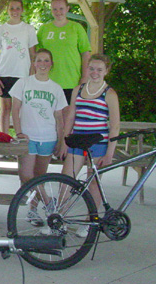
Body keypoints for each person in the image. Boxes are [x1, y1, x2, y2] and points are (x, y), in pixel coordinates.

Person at [58, 54, 120, 237]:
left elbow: (115, 125)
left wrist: (110, 153)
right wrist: (64, 141)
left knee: (94, 183)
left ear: (106, 71)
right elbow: (70, 116)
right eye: (92, 68)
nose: (95, 73)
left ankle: (89, 222)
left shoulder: (109, 93)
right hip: (77, 140)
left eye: (99, 69)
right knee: (66, 180)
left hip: (98, 144)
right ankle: (58, 217)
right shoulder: (79, 89)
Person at [10, 49, 67, 187]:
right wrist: (18, 133)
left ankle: (33, 208)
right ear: (34, 63)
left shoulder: (56, 88)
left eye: (46, 60)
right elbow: (15, 110)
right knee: (25, 174)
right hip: (27, 136)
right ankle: (47, 201)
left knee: (40, 176)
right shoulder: (23, 83)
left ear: (51, 64)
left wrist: (61, 141)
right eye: (39, 60)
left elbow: (59, 117)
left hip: (48, 137)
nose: (43, 64)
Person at [0, 0, 38, 133]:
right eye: (11, 8)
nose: (14, 11)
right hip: (4, 74)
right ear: (7, 10)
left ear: (22, 10)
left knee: (21, 111)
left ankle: (21, 140)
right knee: (5, 110)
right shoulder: (0, 30)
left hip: (22, 75)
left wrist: (31, 76)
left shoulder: (29, 29)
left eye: (17, 8)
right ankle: (4, 143)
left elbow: (33, 55)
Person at [37, 0, 91, 111]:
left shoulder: (76, 28)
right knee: (49, 116)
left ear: (67, 9)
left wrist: (85, 77)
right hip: (48, 81)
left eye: (61, 9)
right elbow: (36, 56)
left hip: (71, 81)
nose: (58, 12)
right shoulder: (44, 29)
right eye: (55, 9)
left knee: (69, 117)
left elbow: (86, 54)